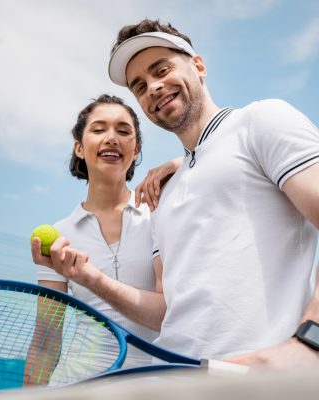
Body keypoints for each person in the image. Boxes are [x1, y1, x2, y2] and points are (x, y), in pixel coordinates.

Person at [106, 19, 319, 369]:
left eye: (162, 69)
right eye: (140, 86)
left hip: (258, 381)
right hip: (176, 377)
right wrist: (87, 277)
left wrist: (312, 340)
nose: (153, 88)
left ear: (199, 66)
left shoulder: (262, 120)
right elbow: (168, 310)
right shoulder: (163, 192)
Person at [27, 94, 169, 385]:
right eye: (99, 129)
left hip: (154, 387)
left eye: (123, 130)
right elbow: (46, 340)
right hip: (78, 386)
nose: (111, 137)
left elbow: (168, 312)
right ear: (79, 148)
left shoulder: (161, 214)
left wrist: (181, 162)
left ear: (136, 149)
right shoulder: (61, 234)